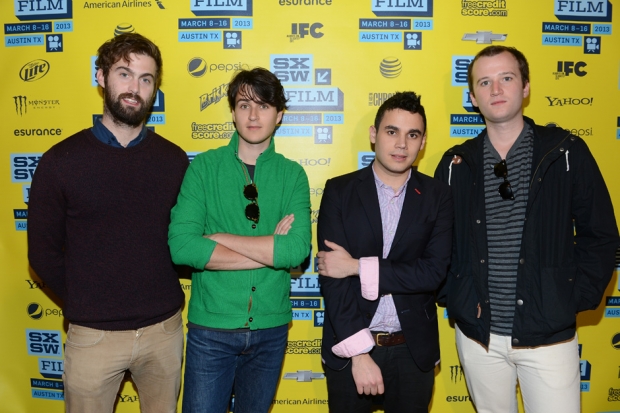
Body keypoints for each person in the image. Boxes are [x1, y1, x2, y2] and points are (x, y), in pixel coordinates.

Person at [435, 45, 619, 413]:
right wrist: (456, 295)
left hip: (549, 337)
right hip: (479, 337)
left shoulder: (566, 152)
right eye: (484, 82)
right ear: (472, 97)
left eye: (506, 78)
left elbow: (600, 236)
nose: (496, 89)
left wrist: (568, 300)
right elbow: (438, 244)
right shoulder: (457, 163)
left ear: (526, 87)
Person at [27, 33, 188, 413]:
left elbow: (184, 241)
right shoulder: (60, 161)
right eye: (124, 74)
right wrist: (89, 300)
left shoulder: (174, 160)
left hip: (163, 331)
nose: (135, 88)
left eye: (146, 79)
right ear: (101, 78)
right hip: (93, 337)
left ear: (155, 90)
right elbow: (43, 253)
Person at [168, 67, 311, 413]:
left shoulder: (293, 174)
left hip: (271, 329)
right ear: (232, 111)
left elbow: (297, 250)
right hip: (211, 331)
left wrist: (218, 240)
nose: (253, 114)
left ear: (279, 115)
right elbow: (183, 246)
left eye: (263, 105)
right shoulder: (203, 168)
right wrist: (270, 251)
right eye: (244, 104)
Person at [316, 92, 453, 413]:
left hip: (412, 351)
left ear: (422, 143)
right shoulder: (339, 191)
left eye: (413, 134)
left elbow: (432, 273)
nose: (402, 144)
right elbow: (333, 280)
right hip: (351, 347)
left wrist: (357, 267)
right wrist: (359, 354)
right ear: (374, 135)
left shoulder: (438, 196)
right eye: (392, 132)